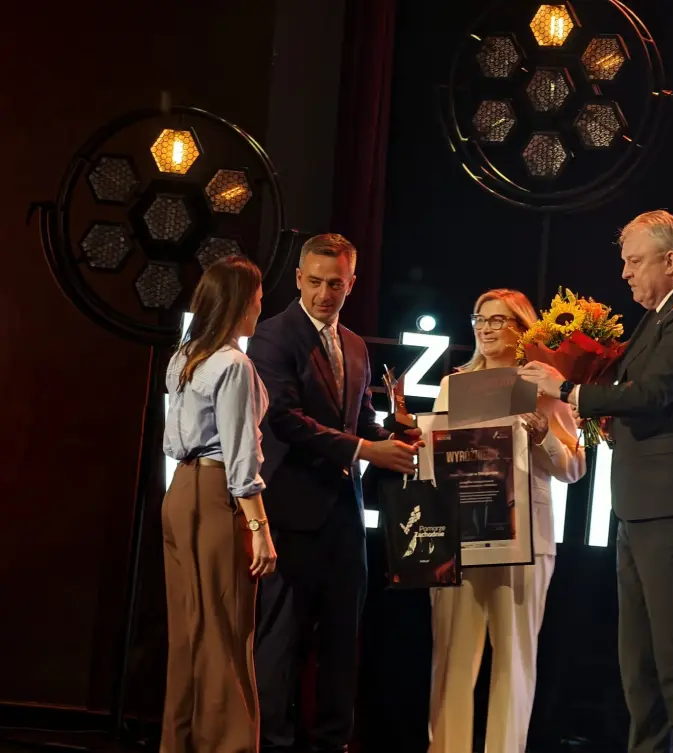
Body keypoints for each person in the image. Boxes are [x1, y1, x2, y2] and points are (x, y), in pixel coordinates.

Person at [519, 210, 673, 753]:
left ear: (671, 260)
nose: (625, 273)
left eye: (635, 261)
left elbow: (653, 393)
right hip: (644, 503)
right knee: (639, 663)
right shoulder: (664, 313)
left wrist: (568, 389)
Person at [249, 233, 422, 753]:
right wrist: (368, 450)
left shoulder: (355, 345)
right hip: (290, 511)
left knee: (343, 641)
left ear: (352, 283)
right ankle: (272, 744)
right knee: (282, 642)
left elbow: (360, 420)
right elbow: (285, 419)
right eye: (316, 282)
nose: (325, 293)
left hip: (345, 514)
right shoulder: (271, 336)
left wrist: (396, 437)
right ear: (298, 278)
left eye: (336, 284)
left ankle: (332, 743)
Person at [428, 288, 586, 753]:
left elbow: (573, 468)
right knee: (452, 660)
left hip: (525, 541)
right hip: (461, 535)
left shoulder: (544, 383)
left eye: (498, 320)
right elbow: (434, 458)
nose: (486, 328)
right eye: (480, 319)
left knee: (514, 661)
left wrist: (544, 436)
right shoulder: (454, 385)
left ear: (522, 328)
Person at [161, 255, 278, 753]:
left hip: (180, 493)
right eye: (257, 300)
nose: (260, 308)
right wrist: (259, 528)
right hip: (214, 497)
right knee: (227, 632)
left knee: (190, 631)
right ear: (239, 303)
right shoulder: (233, 364)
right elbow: (240, 455)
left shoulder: (185, 355)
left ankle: (181, 742)